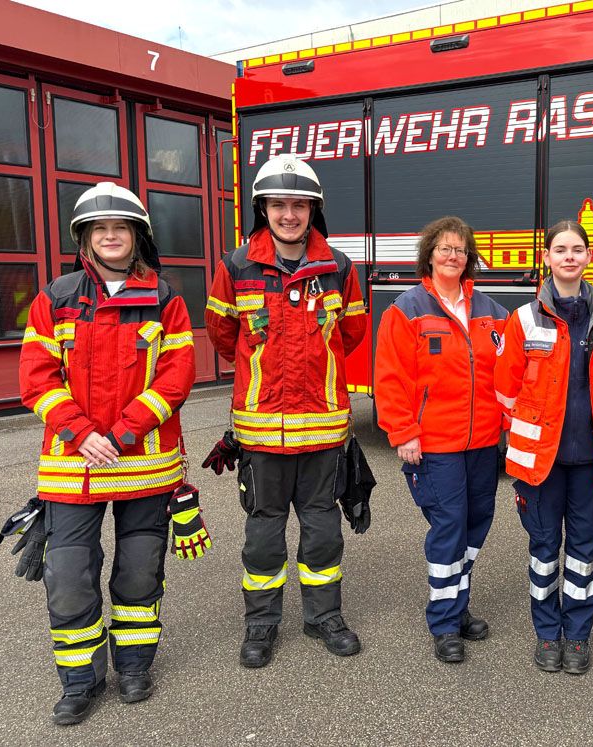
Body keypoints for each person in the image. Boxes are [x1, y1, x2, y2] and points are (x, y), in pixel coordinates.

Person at [18, 182, 197, 725]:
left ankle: (135, 666)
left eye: (120, 228)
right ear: (85, 239)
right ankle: (80, 681)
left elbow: (176, 379)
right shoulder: (56, 298)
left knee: (140, 570)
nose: (111, 236)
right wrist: (79, 433)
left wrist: (121, 434)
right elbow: (36, 378)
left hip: (144, 464)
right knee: (69, 575)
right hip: (74, 465)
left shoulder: (164, 299)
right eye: (100, 229)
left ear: (137, 236)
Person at [205, 154, 367, 668]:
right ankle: (261, 624)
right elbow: (223, 336)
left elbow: (352, 334)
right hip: (261, 434)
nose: (289, 215)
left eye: (299, 205)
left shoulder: (339, 268)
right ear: (263, 209)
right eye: (278, 205)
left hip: (322, 432)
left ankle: (324, 617)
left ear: (314, 210)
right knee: (263, 537)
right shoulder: (236, 267)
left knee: (323, 532)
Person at [374, 216, 507, 663]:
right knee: (449, 527)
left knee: (476, 522)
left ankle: (458, 602)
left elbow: (509, 372)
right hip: (435, 443)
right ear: (429, 254)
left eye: (460, 250)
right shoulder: (407, 309)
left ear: (470, 258)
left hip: (484, 441)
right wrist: (404, 432)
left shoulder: (493, 310)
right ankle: (445, 621)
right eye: (445, 248)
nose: (453, 256)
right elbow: (391, 378)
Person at [493, 221, 593, 674]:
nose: (569, 256)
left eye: (577, 249)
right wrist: (533, 431)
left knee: (584, 552)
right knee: (545, 549)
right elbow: (504, 388)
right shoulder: (524, 319)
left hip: (590, 462)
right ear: (547, 258)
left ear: (588, 257)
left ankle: (579, 635)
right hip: (540, 463)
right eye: (561, 249)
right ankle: (548, 633)